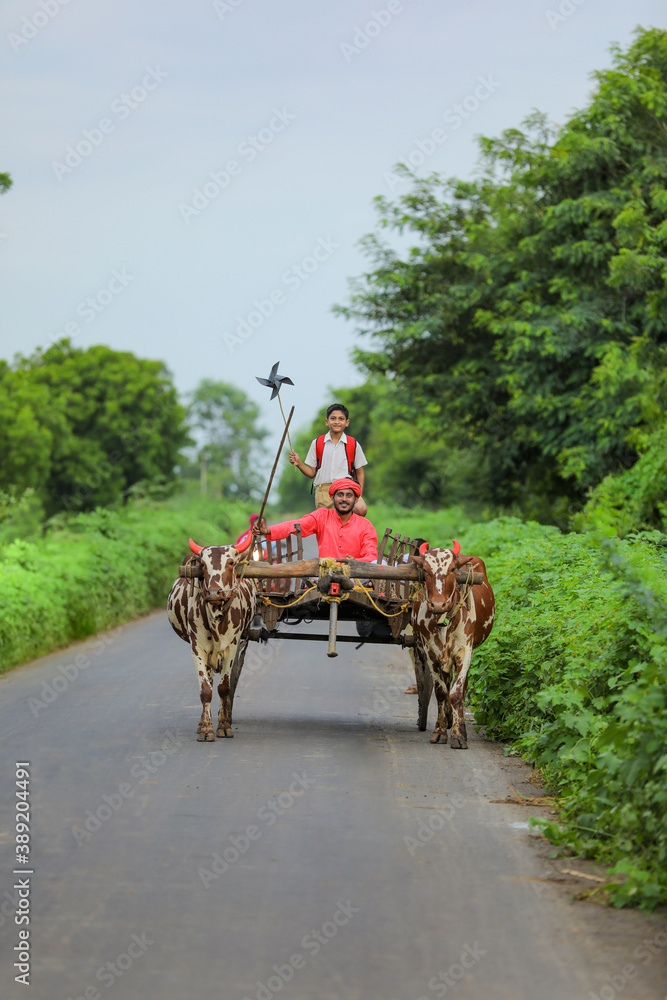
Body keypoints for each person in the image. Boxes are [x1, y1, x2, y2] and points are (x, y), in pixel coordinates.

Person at [254, 478, 378, 562]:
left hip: (355, 577)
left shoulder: (366, 526)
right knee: (307, 571)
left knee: (379, 563)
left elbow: (371, 555)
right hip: (324, 575)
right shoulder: (322, 516)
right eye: (340, 495)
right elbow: (295, 525)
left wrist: (355, 562)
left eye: (349, 495)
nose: (344, 499)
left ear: (356, 500)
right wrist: (267, 530)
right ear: (332, 497)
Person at [289, 403, 369, 516]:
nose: (337, 422)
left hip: (346, 489)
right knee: (327, 526)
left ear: (347, 422)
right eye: (333, 418)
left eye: (341, 419)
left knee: (361, 509)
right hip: (324, 491)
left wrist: (357, 494)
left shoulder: (353, 444)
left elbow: (360, 472)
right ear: (327, 421)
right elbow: (312, 473)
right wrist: (299, 463)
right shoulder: (317, 443)